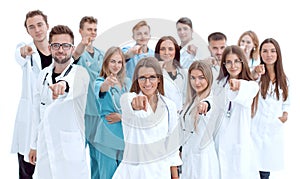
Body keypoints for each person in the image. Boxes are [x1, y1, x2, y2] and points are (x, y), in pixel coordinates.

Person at [28, 25, 90, 179]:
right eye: (56, 45)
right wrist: (33, 145)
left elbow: (70, 85)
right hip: (45, 148)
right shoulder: (43, 75)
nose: (61, 50)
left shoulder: (80, 73)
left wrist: (62, 86)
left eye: (66, 46)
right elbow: (36, 112)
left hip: (70, 150)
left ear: (72, 48)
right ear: (50, 48)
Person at [112, 57, 182, 179]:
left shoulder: (169, 106)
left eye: (152, 77)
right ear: (137, 80)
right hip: (134, 173)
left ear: (159, 79)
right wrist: (135, 103)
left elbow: (172, 148)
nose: (147, 83)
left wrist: (175, 177)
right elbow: (129, 102)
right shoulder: (128, 99)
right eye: (142, 78)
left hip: (160, 172)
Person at [11, 9, 52, 179]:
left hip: (52, 116)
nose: (37, 30)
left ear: (47, 26)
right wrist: (24, 51)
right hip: (31, 119)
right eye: (32, 27)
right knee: (27, 170)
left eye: (40, 24)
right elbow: (19, 53)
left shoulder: (60, 52)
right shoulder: (27, 52)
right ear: (28, 31)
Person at [213, 45, 260, 179]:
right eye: (228, 62)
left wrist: (237, 85)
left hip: (238, 144)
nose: (233, 65)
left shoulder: (251, 85)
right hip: (219, 142)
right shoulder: (219, 84)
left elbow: (244, 89)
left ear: (242, 62)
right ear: (224, 64)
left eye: (236, 61)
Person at [251, 38, 290, 179]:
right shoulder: (257, 75)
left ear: (278, 54)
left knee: (265, 168)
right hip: (254, 128)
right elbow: (249, 85)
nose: (269, 54)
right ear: (260, 54)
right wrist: (256, 73)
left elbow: (286, 102)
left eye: (273, 51)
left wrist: (284, 116)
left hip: (273, 128)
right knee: (252, 167)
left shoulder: (284, 80)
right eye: (265, 51)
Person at [72, 16, 105, 179]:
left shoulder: (101, 54)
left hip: (99, 114)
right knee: (77, 156)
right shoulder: (76, 53)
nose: (92, 33)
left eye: (94, 29)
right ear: (80, 31)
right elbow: (75, 55)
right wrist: (82, 45)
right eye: (88, 29)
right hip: (82, 113)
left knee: (97, 157)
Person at [92, 46, 131, 178]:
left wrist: (121, 116)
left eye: (119, 62)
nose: (116, 65)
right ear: (106, 63)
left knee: (122, 175)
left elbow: (132, 108)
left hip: (123, 135)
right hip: (106, 135)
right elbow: (102, 90)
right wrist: (107, 83)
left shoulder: (126, 83)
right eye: (112, 61)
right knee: (107, 175)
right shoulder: (100, 81)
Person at [180, 61, 220, 179]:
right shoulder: (191, 100)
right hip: (189, 158)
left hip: (203, 161)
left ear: (208, 78)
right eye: (193, 78)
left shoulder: (210, 100)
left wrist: (204, 105)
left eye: (201, 78)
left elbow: (208, 106)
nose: (196, 82)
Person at [154, 36, 188, 112]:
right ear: (158, 52)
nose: (166, 52)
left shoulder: (184, 73)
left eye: (170, 49)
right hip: (162, 115)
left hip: (181, 116)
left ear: (176, 51)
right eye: (162, 49)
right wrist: (157, 71)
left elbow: (188, 97)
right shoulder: (153, 73)